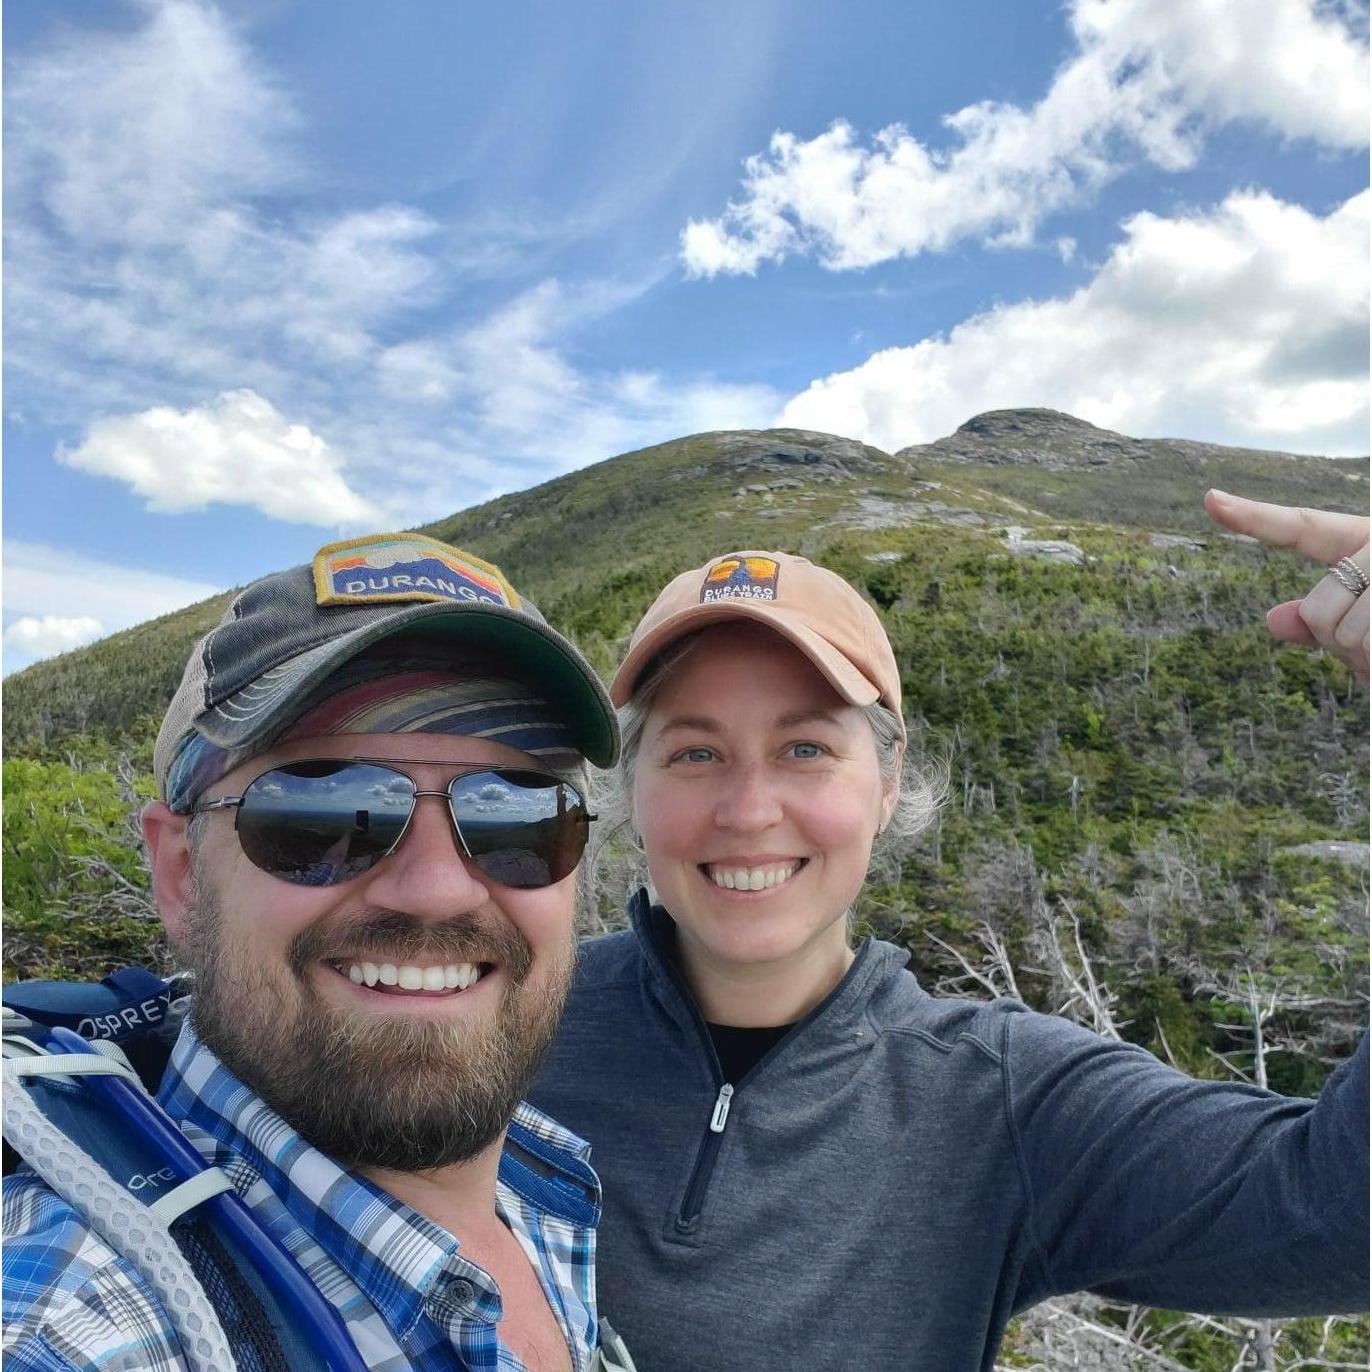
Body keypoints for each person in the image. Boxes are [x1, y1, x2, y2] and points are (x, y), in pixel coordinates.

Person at [529, 494, 1369, 1371]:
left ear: (888, 782)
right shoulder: (507, 1025)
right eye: (695, 753)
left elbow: (1336, 1217)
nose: (748, 811)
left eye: (805, 748)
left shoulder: (998, 1102)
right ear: (634, 789)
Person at [3, 532, 630, 1372]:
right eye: (323, 814)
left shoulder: (542, 1182)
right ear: (183, 874)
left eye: (515, 817)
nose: (438, 889)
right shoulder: (81, 1331)